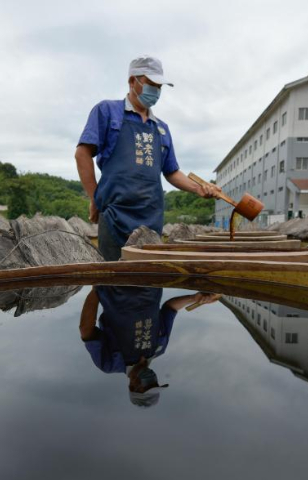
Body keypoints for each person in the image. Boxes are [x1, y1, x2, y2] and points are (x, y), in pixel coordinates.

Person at [75, 55, 221, 261]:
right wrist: (95, 197)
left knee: (148, 282)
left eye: (159, 87)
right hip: (116, 215)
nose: (156, 91)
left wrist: (199, 189)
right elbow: (82, 153)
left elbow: (171, 172)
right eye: (151, 84)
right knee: (112, 283)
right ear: (132, 81)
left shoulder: (161, 128)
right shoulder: (108, 111)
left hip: (151, 218)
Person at [79, 286, 219, 407]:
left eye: (147, 386)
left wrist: (96, 291)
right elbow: (170, 308)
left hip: (116, 285)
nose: (152, 380)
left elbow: (86, 330)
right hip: (150, 281)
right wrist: (194, 298)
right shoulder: (159, 348)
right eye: (155, 384)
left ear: (132, 386)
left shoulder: (110, 364)